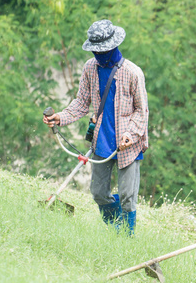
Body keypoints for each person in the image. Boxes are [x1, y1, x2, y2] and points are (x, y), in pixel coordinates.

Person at [43, 19, 149, 234]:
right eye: (95, 51)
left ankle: (126, 239)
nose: (98, 56)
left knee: (128, 197)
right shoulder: (90, 68)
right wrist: (60, 117)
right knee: (99, 193)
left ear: (113, 46)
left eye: (102, 51)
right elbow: (81, 102)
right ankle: (115, 229)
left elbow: (142, 111)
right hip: (102, 142)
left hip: (127, 144)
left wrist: (131, 134)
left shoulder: (132, 72)